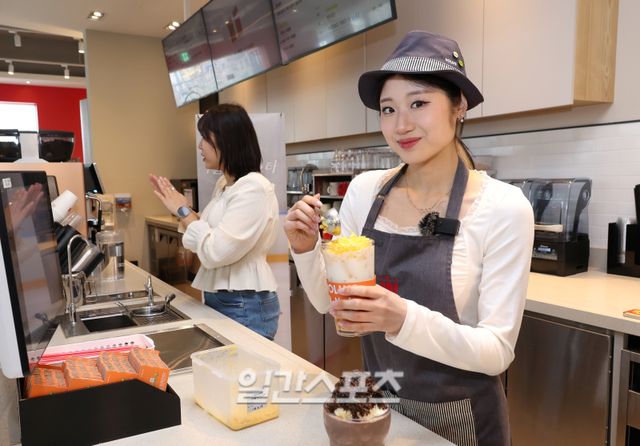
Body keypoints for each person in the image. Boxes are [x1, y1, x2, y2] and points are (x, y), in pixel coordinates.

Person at [285, 31, 534, 445]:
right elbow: (332, 304)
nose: (400, 125)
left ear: (459, 105)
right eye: (388, 109)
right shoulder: (365, 192)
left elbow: (496, 351)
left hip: (463, 421)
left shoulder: (503, 207)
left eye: (418, 103)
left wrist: (401, 318)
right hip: (380, 407)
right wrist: (305, 249)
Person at [150, 103, 280, 340]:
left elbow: (215, 251)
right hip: (228, 299)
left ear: (226, 140)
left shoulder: (253, 188)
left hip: (244, 303)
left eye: (205, 138)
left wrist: (183, 210)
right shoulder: (225, 185)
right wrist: (184, 210)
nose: (200, 145)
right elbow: (207, 236)